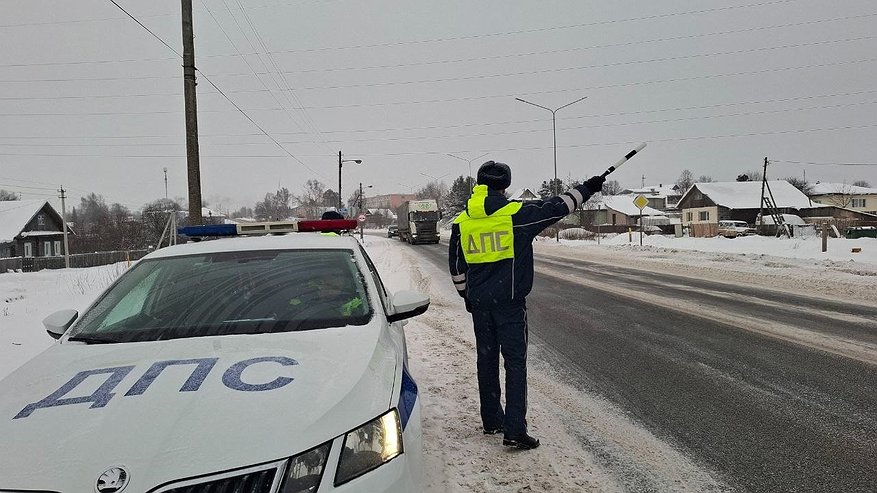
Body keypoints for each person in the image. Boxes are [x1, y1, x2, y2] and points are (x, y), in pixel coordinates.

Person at [448, 161, 604, 450]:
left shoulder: (462, 221)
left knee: (487, 360)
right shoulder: (516, 216)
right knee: (515, 364)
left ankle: (492, 420)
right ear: (505, 185)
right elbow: (558, 206)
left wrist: (468, 297)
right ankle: (515, 429)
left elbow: (457, 266)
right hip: (509, 305)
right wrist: (588, 187)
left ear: (479, 183)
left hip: (481, 306)